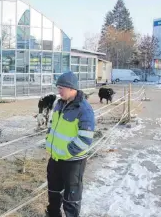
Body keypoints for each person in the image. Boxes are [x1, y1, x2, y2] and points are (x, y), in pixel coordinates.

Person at [45, 71, 95, 217]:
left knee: (71, 197)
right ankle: (53, 214)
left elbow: (85, 138)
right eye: (58, 87)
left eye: (61, 88)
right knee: (53, 191)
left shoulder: (84, 109)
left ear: (71, 88)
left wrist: (66, 152)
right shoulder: (59, 104)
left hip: (73, 162)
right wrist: (49, 140)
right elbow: (52, 125)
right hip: (55, 158)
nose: (58, 91)